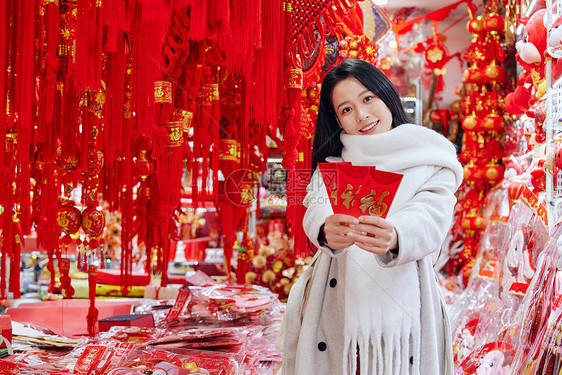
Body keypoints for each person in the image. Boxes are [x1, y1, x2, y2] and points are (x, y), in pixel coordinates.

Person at [277, 59, 463, 374]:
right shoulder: (336, 161)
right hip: (336, 308)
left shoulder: (431, 156)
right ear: (336, 119)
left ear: (385, 94)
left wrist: (397, 234)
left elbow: (433, 214)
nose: (362, 115)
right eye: (346, 109)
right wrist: (325, 229)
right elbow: (315, 202)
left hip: (405, 316)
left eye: (367, 99)